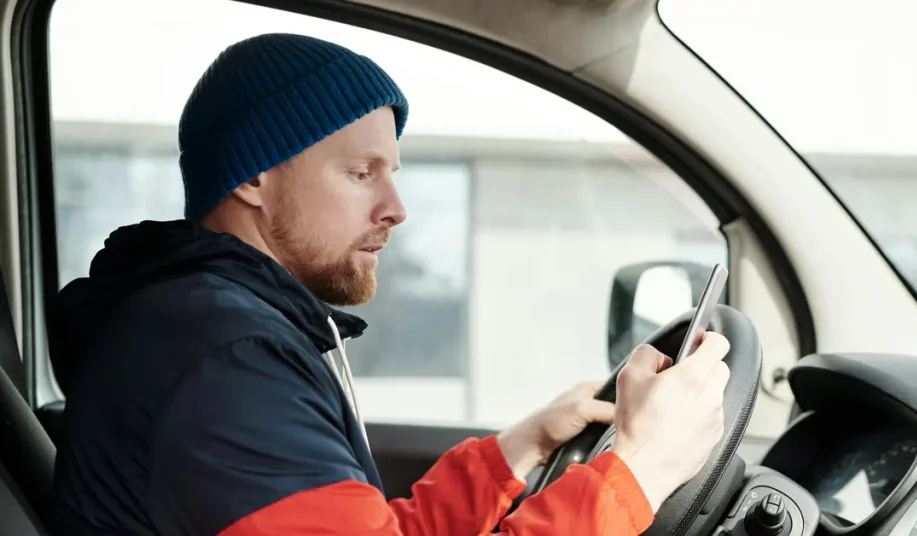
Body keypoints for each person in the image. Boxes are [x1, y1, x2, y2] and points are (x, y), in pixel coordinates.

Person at [47, 33, 731, 536]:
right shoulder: (222, 360)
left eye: (393, 171)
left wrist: (523, 446)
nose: (395, 209)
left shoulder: (218, 327)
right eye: (360, 172)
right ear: (254, 178)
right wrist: (641, 467)